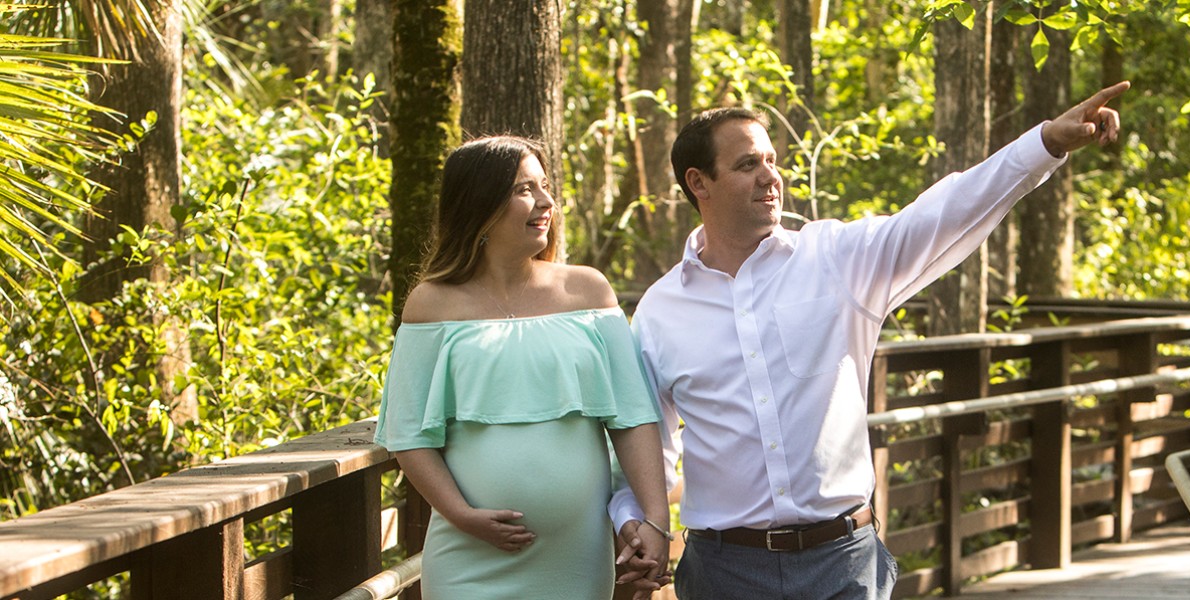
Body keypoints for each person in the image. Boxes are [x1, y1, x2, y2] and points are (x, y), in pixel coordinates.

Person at [609, 82, 1130, 599]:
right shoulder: (659, 310)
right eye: (748, 164)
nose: (771, 176)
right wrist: (636, 519)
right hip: (724, 571)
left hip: (843, 562)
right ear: (699, 183)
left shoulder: (835, 259)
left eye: (772, 160)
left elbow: (944, 212)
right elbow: (646, 444)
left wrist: (1045, 143)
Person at [375, 136, 673, 599]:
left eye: (545, 185)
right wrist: (460, 514)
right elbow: (408, 433)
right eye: (523, 190)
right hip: (470, 554)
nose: (546, 202)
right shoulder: (431, 304)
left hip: (575, 557)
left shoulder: (588, 293)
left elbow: (633, 418)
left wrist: (655, 517)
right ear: (480, 205)